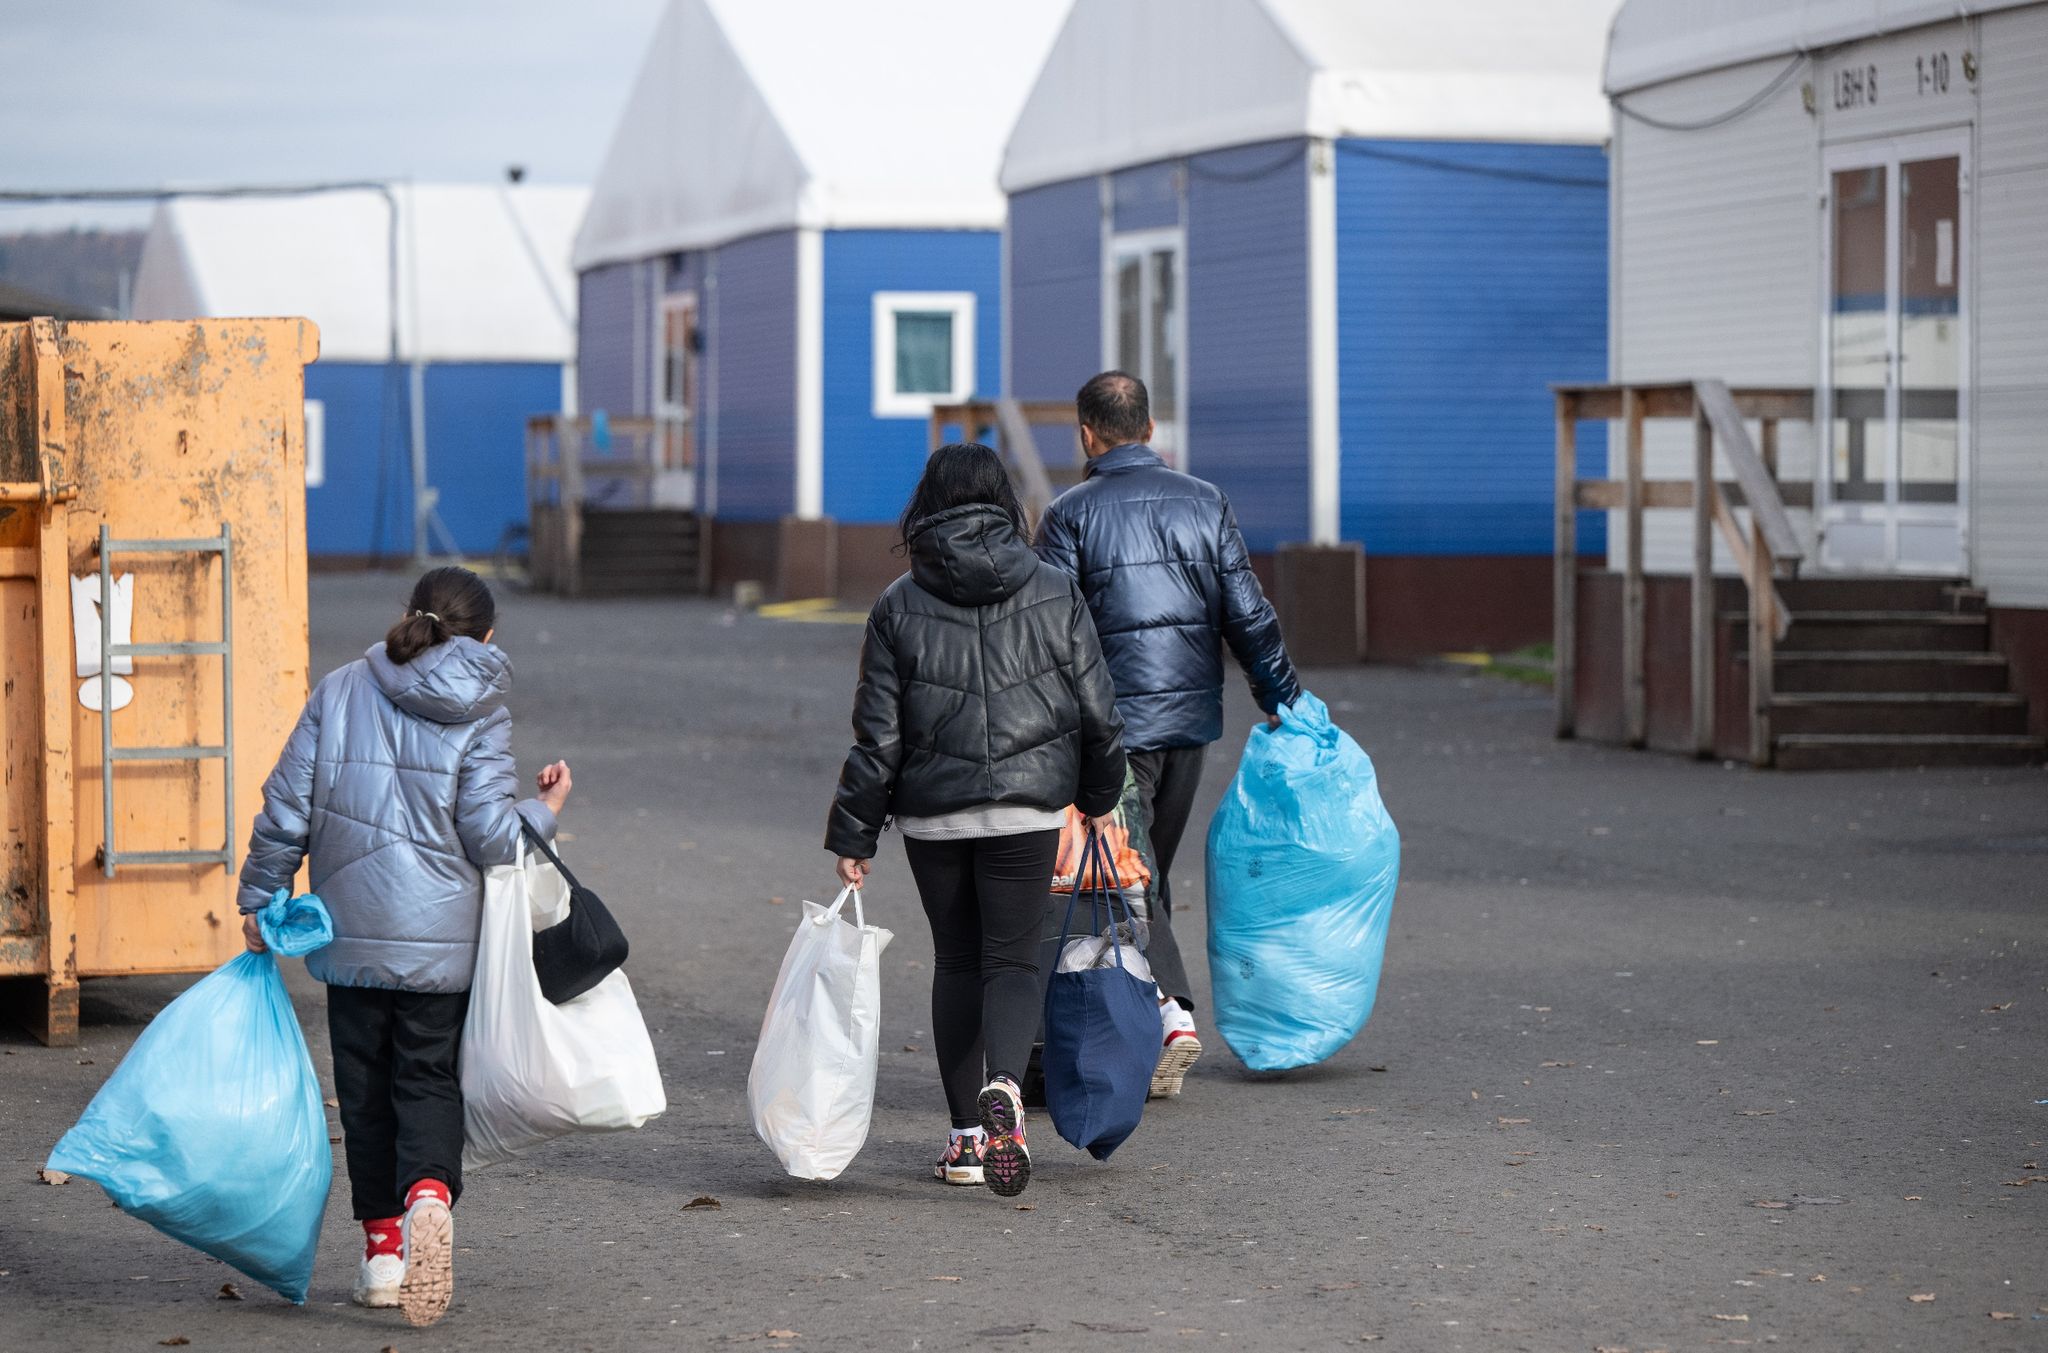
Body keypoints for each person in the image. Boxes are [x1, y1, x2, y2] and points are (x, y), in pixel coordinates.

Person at [237, 566, 571, 1327]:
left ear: (409, 614)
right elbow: (491, 836)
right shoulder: (483, 711)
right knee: (425, 1078)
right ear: (486, 636)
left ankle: (383, 1253)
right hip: (442, 946)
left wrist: (260, 898)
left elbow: (284, 808)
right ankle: (429, 1193)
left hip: (349, 936)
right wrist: (544, 810)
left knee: (362, 1092)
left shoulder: (341, 688)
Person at [827, 443, 1127, 1198]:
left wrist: (855, 834)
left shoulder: (898, 602)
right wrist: (1097, 798)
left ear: (926, 503)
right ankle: (1006, 1088)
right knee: (1013, 961)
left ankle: (966, 1139)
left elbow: (879, 735)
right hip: (1030, 807)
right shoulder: (1055, 589)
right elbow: (1100, 714)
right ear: (1003, 500)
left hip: (933, 816)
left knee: (957, 962)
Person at [1036, 371, 1302, 1098]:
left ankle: (1171, 1012)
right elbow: (1248, 612)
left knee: (1130, 873)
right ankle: (1149, 1018)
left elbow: (1047, 628)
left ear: (1087, 434)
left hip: (1111, 728)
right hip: (1190, 723)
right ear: (1151, 429)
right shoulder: (1206, 502)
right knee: (1146, 867)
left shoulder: (1068, 514)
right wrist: (1283, 697)